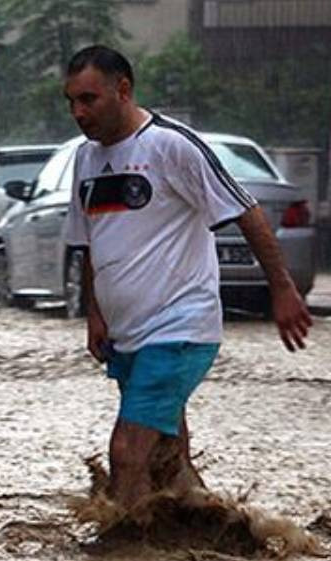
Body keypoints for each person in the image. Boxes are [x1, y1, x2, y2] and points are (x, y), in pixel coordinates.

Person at [61, 46, 313, 512]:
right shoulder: (84, 159)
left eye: (89, 99)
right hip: (127, 334)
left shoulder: (170, 145)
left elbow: (246, 211)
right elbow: (93, 242)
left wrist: (281, 287)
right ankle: (210, 533)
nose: (78, 112)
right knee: (165, 457)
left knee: (126, 452)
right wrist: (95, 313)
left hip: (179, 327)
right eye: (71, 101)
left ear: (123, 90)